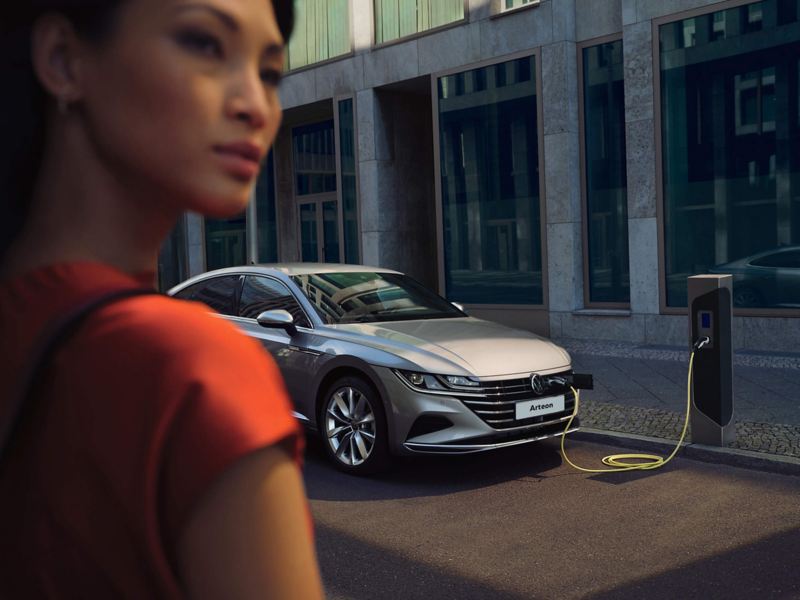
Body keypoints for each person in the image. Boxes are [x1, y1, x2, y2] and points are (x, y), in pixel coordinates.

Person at [0, 1, 325, 598]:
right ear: (64, 59)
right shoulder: (192, 367)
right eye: (205, 44)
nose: (255, 104)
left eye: (271, 73)